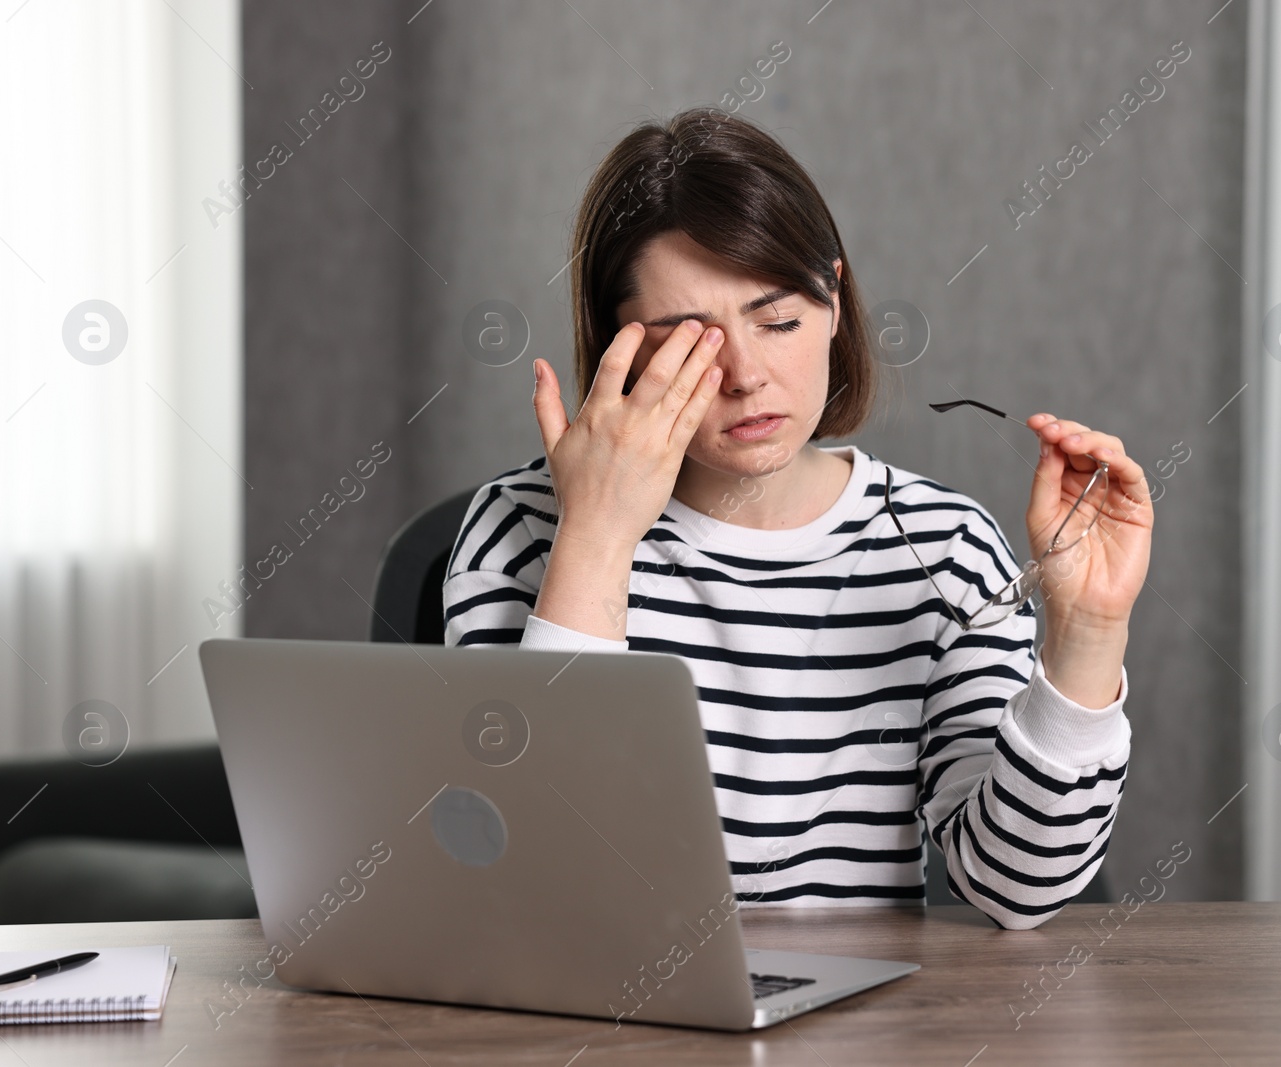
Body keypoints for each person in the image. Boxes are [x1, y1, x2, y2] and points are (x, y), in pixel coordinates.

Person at [443, 107, 1153, 930]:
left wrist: (1089, 633)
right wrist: (596, 537)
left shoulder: (945, 547)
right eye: (692, 344)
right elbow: (533, 876)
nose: (747, 375)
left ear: (835, 302)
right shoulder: (521, 529)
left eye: (779, 322)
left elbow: (1018, 889)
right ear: (621, 349)